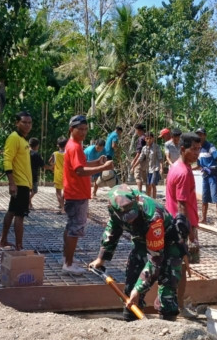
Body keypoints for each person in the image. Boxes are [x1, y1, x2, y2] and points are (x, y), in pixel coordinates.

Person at [89, 185, 188, 321]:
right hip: (141, 241)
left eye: (132, 215)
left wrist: (139, 289)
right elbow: (113, 227)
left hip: (169, 242)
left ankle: (167, 325)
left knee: (167, 290)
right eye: (126, 218)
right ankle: (132, 323)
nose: (131, 220)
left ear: (136, 200)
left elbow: (155, 260)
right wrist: (101, 258)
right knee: (131, 288)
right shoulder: (114, 208)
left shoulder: (153, 216)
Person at [62, 115, 114, 275]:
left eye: (85, 129)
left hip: (74, 193)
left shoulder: (74, 145)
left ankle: (67, 259)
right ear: (72, 129)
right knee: (74, 229)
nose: (84, 132)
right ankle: (68, 264)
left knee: (71, 227)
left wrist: (97, 163)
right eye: (80, 129)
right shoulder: (75, 147)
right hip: (76, 194)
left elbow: (81, 165)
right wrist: (103, 168)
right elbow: (80, 171)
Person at [165, 133, 202, 305]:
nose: (197, 153)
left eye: (198, 149)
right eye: (193, 149)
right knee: (181, 267)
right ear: (182, 149)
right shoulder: (184, 172)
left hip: (175, 223)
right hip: (181, 227)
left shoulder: (177, 167)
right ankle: (179, 304)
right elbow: (182, 206)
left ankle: (175, 302)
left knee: (178, 265)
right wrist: (190, 235)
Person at [0, 110, 34, 250]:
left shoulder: (23, 140)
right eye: (24, 122)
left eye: (29, 123)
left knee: (12, 211)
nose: (27, 125)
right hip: (20, 183)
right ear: (17, 123)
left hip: (23, 183)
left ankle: (3, 241)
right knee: (19, 216)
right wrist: (12, 183)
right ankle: (19, 247)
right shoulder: (14, 138)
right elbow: (7, 160)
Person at [195, 127, 217, 228]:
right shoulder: (198, 148)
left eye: (201, 134)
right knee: (205, 198)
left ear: (205, 136)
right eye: (198, 134)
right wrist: (190, 168)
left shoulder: (210, 146)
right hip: (205, 176)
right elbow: (199, 165)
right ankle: (204, 218)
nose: (199, 136)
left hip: (214, 175)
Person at [46, 137, 67, 211]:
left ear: (58, 145)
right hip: (66, 175)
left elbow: (50, 161)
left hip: (58, 174)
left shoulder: (55, 154)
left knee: (58, 192)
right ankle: (62, 203)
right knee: (65, 191)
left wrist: (53, 165)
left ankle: (62, 206)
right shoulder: (68, 153)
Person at [144, 132, 163, 199]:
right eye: (147, 138)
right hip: (148, 169)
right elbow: (140, 158)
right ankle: (149, 199)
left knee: (153, 184)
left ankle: (154, 199)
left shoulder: (156, 147)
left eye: (150, 138)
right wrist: (134, 165)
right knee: (148, 185)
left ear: (153, 139)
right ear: (145, 139)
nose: (149, 140)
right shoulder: (144, 148)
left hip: (155, 168)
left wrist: (161, 167)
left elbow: (160, 158)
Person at [130, 123, 148, 192]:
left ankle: (139, 192)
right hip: (147, 160)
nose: (135, 132)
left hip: (141, 160)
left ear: (138, 130)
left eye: (135, 130)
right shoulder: (147, 137)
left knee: (138, 177)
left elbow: (139, 152)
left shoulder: (141, 139)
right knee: (145, 178)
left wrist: (134, 160)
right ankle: (148, 192)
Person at [29, 137, 45, 210]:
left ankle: (29, 204)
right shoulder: (36, 154)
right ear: (37, 146)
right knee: (34, 190)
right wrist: (51, 168)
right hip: (33, 175)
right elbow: (43, 165)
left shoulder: (25, 153)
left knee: (28, 190)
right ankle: (28, 201)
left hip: (25, 174)